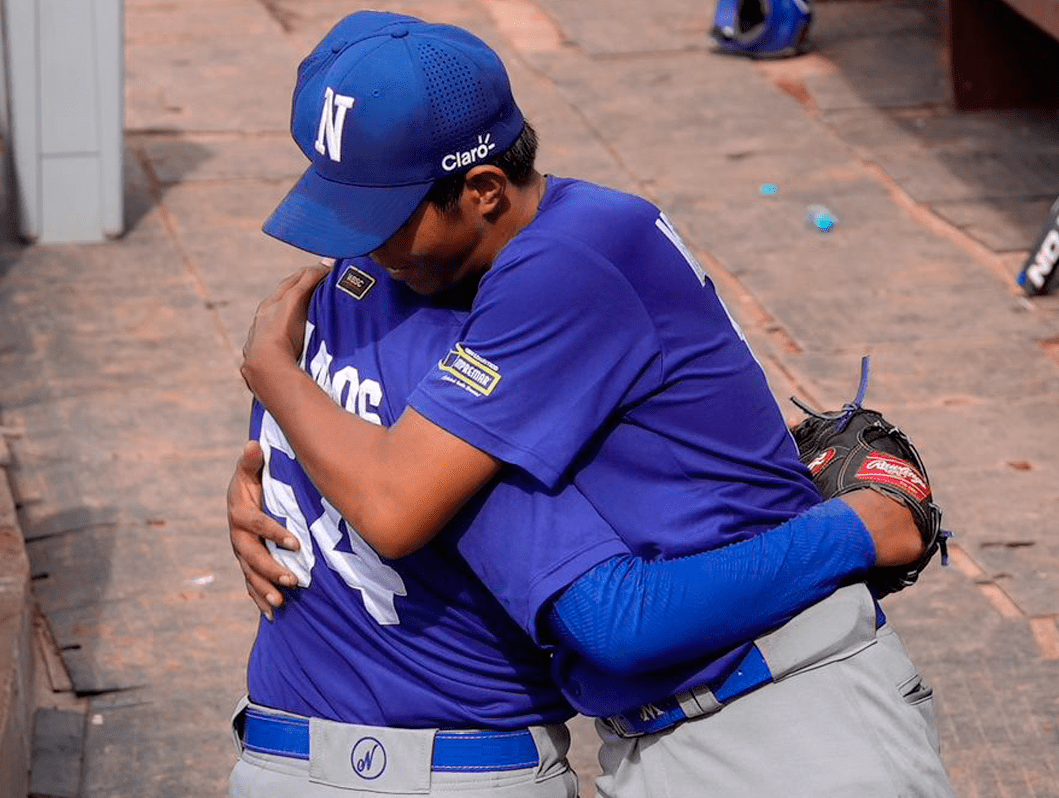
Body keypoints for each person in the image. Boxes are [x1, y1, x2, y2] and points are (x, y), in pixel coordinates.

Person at [231, 10, 957, 798]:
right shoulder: (478, 275)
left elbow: (399, 506)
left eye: (385, 219)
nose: (359, 248)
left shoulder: (568, 263)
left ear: (482, 191)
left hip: (792, 720)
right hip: (673, 734)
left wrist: (273, 371)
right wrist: (282, 488)